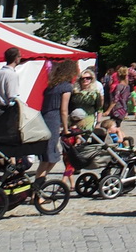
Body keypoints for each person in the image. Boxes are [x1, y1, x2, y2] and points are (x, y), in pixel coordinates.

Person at [37, 58, 79, 186]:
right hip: (53, 120)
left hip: (44, 118)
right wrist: (66, 129)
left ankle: (38, 185)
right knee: (50, 156)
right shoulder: (66, 87)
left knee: (48, 156)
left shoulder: (51, 87)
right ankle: (37, 188)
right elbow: (64, 110)